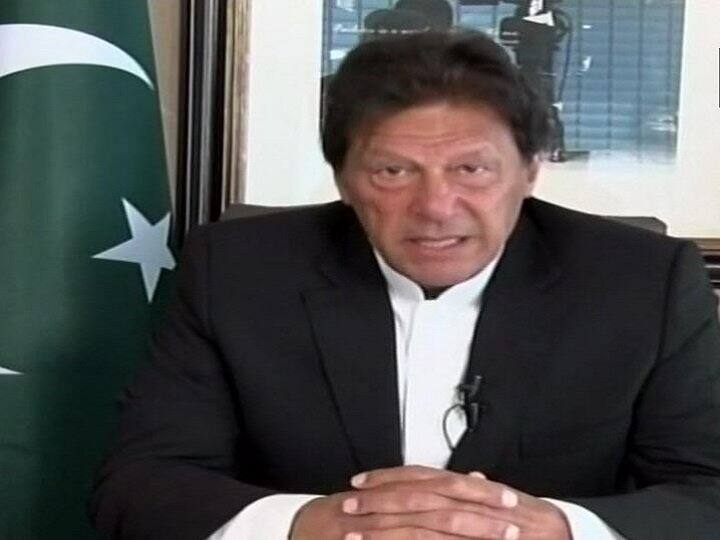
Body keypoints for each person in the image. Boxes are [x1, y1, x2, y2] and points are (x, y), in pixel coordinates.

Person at [89, 31, 720, 539]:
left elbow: (707, 492)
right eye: (393, 171)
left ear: (529, 171)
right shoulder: (235, 272)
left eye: (472, 169)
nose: (436, 206)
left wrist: (556, 528)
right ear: (343, 179)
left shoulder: (645, 283)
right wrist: (306, 524)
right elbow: (140, 485)